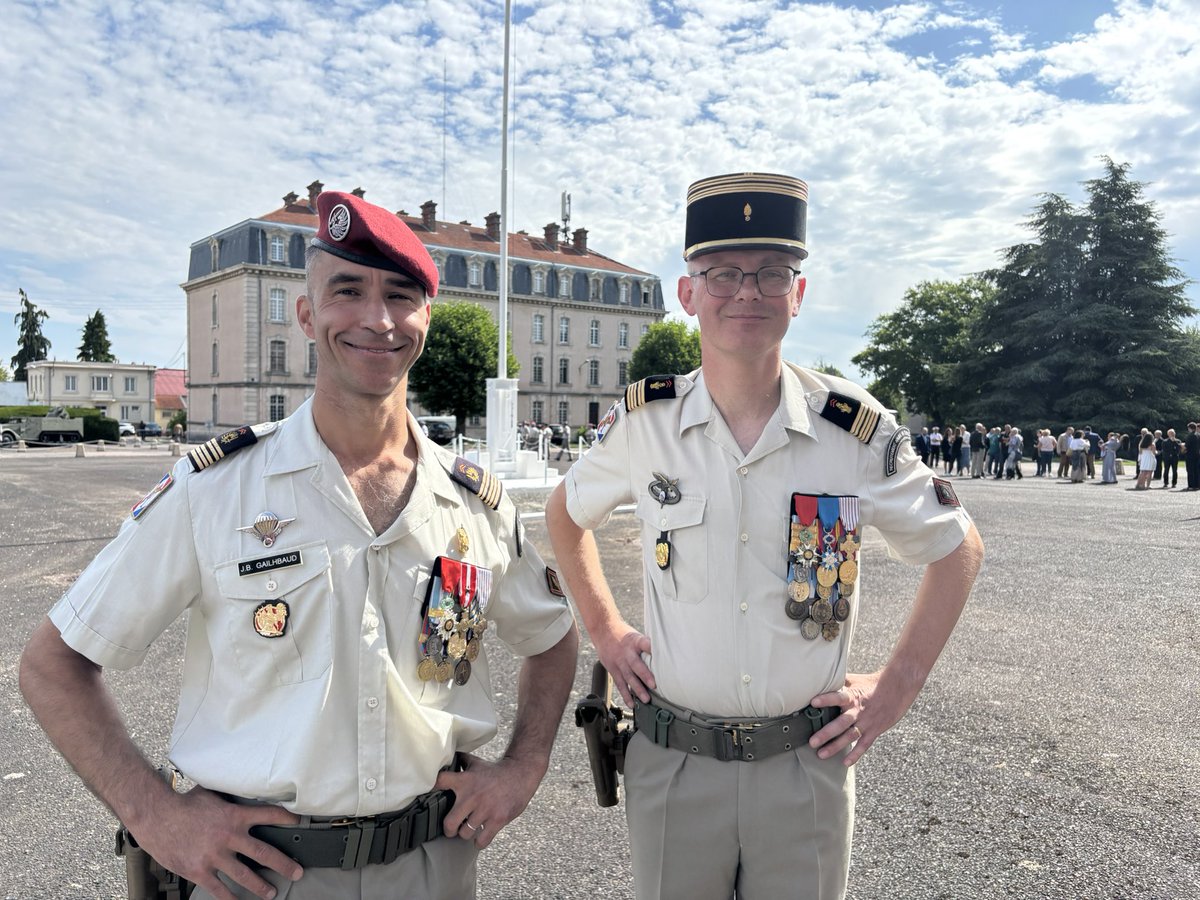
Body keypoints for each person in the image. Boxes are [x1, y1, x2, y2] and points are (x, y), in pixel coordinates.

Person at [19, 191, 579, 900]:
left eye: (400, 296)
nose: (377, 319)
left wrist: (521, 771)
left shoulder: (471, 504)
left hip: (434, 869)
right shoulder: (215, 490)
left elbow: (553, 636)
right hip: (263, 879)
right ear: (307, 315)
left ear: (425, 320)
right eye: (349, 291)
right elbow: (54, 663)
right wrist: (155, 814)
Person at [544, 172, 984, 900]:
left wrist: (895, 688)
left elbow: (957, 546)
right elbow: (565, 515)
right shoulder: (647, 425)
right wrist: (607, 630)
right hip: (674, 765)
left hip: (803, 766)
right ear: (689, 295)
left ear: (798, 294)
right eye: (722, 274)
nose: (746, 292)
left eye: (772, 273)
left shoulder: (852, 430)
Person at [1186, 423, 1200, 491]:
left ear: (1190, 428)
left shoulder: (1190, 436)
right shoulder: (1198, 435)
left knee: (1190, 470)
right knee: (1196, 470)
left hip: (1190, 455)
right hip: (1197, 455)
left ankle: (1191, 485)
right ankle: (1197, 485)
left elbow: (1187, 446)